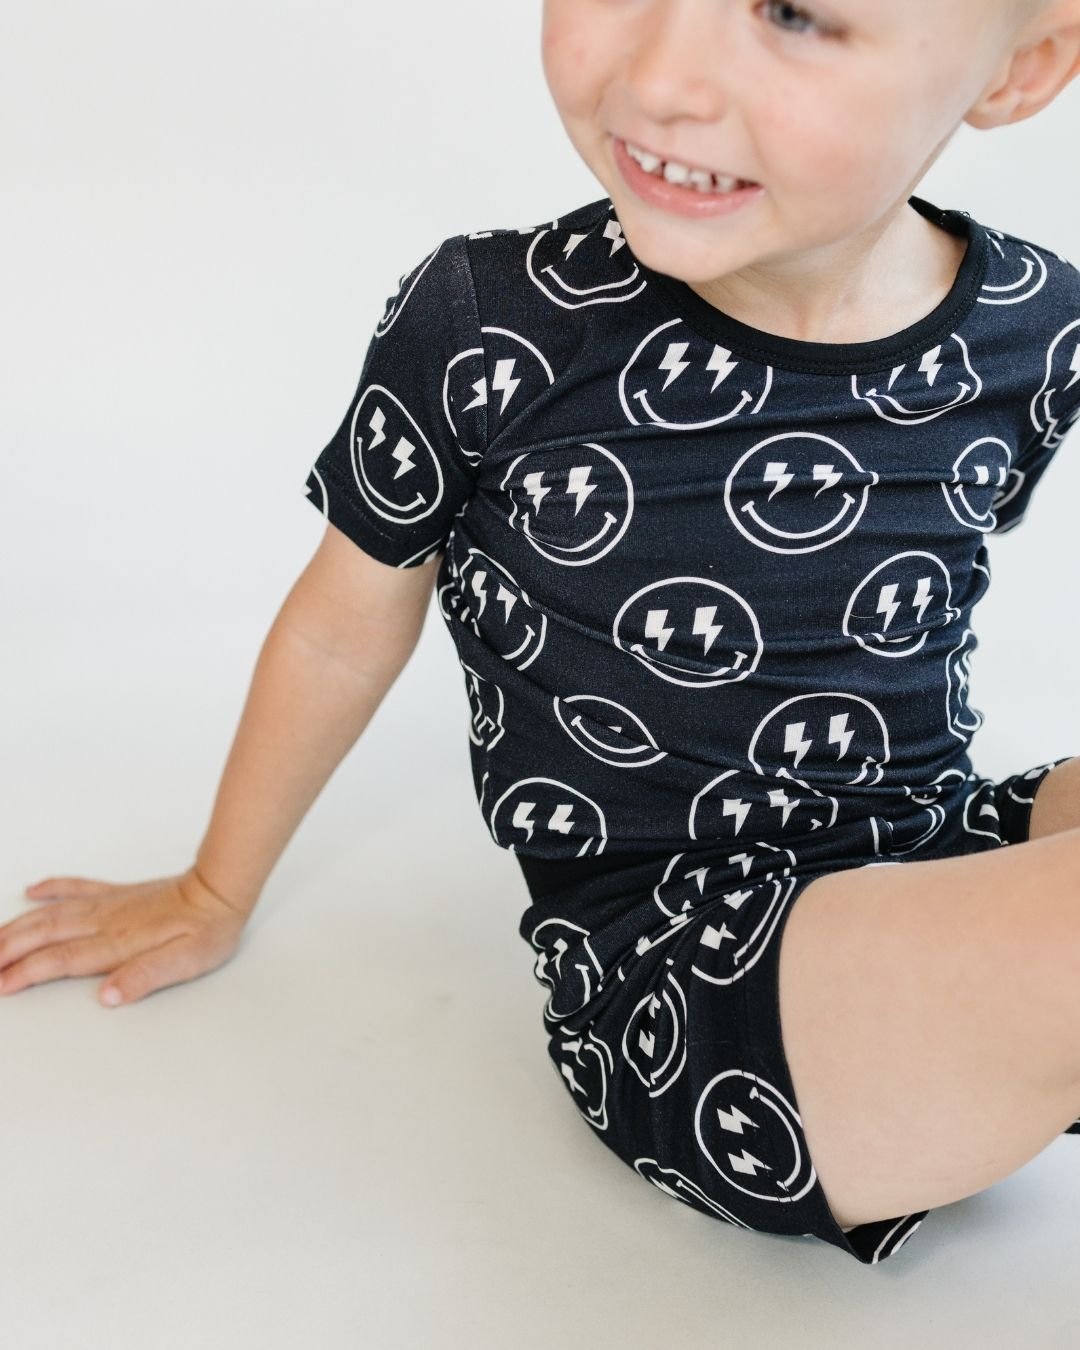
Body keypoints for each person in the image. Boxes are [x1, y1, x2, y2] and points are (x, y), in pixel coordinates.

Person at [6, 0, 1080, 1266]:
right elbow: (343, 632)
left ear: (1021, 67)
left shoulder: (1034, 328)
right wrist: (212, 887)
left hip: (933, 860)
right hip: (685, 989)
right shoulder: (493, 327)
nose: (663, 74)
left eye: (794, 12)